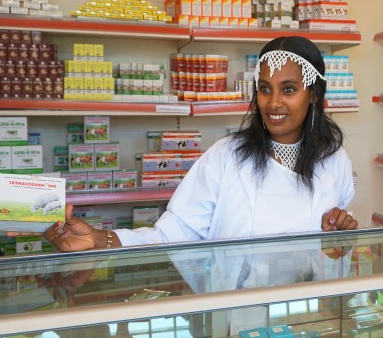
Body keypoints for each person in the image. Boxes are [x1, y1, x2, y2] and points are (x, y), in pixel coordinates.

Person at [45, 35, 358, 252]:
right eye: (265, 89)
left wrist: (341, 236)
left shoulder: (334, 160)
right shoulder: (226, 157)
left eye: (288, 90)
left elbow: (330, 242)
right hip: (238, 315)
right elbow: (173, 233)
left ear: (314, 94)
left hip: (312, 313)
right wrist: (100, 238)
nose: (273, 103)